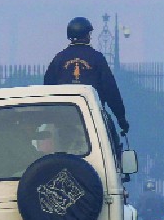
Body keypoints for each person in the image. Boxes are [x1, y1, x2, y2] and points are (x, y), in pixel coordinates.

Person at [44, 17, 129, 147]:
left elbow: (48, 86)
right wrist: (121, 119)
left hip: (63, 116)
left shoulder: (59, 58)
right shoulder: (97, 58)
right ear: (87, 35)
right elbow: (111, 90)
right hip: (92, 114)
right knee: (112, 142)